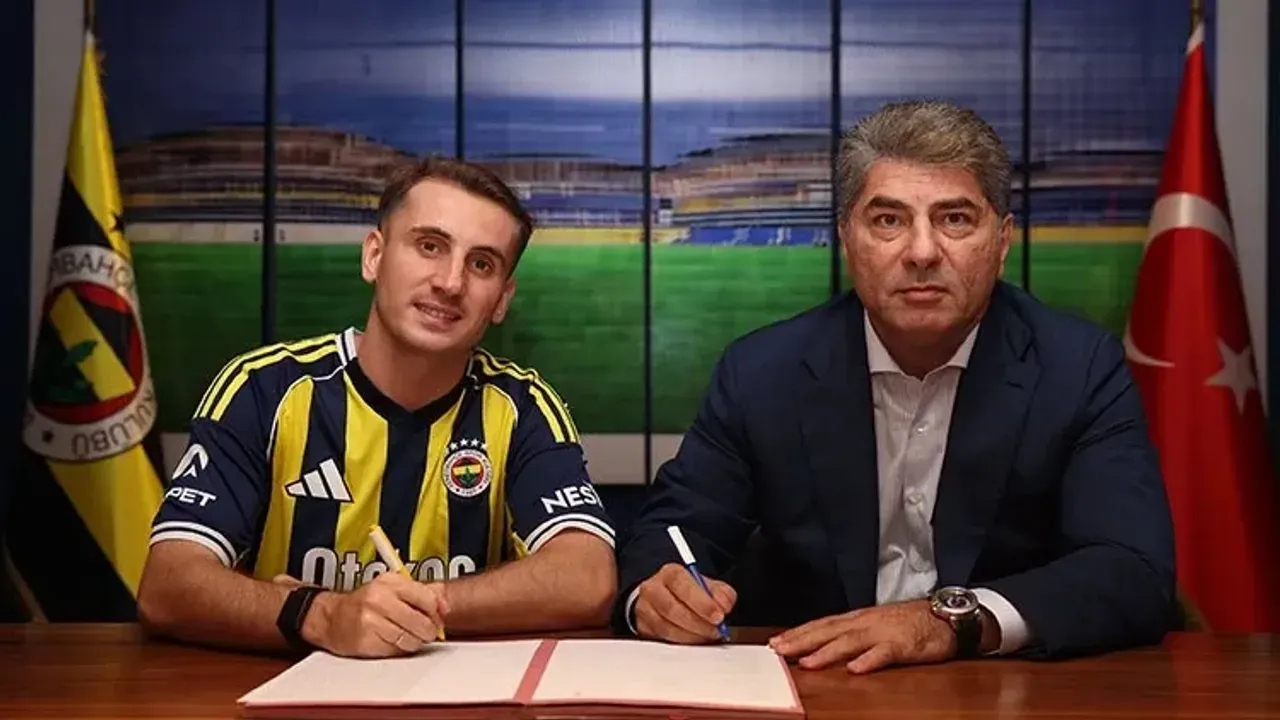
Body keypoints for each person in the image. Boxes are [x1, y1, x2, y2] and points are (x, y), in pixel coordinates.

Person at [613, 100, 1177, 673]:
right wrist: (657, 593)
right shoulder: (761, 372)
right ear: (846, 239)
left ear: (1002, 241)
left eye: (955, 219)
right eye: (888, 221)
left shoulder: (1079, 370)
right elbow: (671, 531)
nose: (922, 252)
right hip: (818, 683)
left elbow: (1131, 570)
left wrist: (948, 621)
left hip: (1000, 688)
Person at [139, 157, 617, 658]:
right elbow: (169, 584)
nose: (451, 283)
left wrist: (399, 608)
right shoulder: (263, 388)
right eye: (430, 246)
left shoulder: (523, 408)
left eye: (481, 264)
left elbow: (588, 577)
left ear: (501, 299)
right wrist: (323, 616)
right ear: (374, 256)